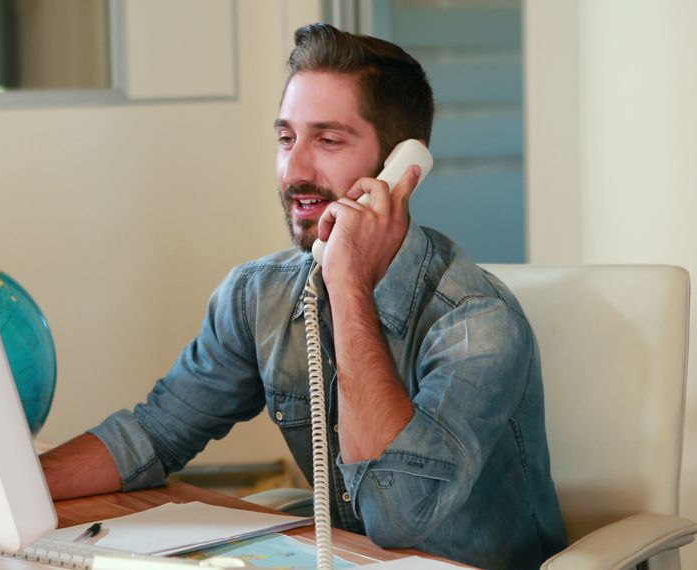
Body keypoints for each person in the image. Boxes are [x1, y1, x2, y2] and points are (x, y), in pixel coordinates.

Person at [40, 23, 567, 569]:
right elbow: (155, 433)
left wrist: (346, 282)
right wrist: (10, 494)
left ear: (403, 168)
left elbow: (395, 517)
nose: (294, 170)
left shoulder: (477, 325)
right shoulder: (257, 296)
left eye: (329, 140)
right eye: (287, 138)